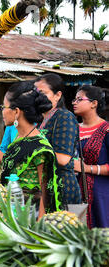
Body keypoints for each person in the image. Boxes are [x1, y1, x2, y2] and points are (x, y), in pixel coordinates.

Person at [0, 81, 62, 218]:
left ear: (16, 112)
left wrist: (39, 230)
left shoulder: (39, 148)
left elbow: (45, 192)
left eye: (4, 106)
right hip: (12, 212)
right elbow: (13, 164)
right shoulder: (20, 138)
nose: (2, 111)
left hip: (29, 218)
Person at [34, 73, 82, 206]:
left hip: (62, 188)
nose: (37, 97)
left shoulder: (64, 117)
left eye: (43, 93)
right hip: (45, 188)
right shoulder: (40, 121)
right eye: (35, 93)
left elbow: (62, 159)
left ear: (58, 95)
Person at [72, 85, 109, 228]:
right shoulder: (72, 129)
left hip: (102, 194)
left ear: (94, 103)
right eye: (74, 100)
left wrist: (86, 168)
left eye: (79, 99)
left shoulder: (106, 130)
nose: (74, 103)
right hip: (76, 192)